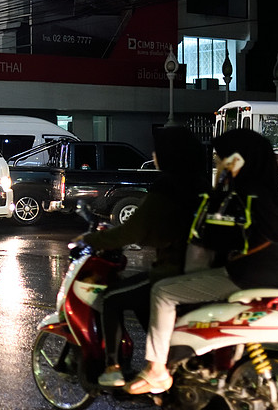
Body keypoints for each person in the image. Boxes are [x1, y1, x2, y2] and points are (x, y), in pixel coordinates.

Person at [126, 128, 278, 394]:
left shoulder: (242, 195)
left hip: (244, 276)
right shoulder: (273, 193)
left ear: (238, 160)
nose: (218, 163)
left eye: (222, 158)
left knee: (162, 292)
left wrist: (221, 185)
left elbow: (212, 236)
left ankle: (156, 370)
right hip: (277, 278)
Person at [77, 125, 208, 387]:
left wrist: (90, 239)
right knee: (137, 297)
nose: (153, 154)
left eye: (158, 150)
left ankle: (112, 368)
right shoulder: (199, 184)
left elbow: (132, 232)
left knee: (112, 298)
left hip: (173, 271)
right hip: (199, 269)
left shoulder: (167, 189)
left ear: (170, 154)